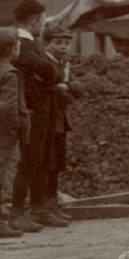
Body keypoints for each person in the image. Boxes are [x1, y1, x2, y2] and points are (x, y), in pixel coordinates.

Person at [9, 0, 67, 232]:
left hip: (43, 110)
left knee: (43, 158)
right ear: (34, 21)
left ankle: (39, 208)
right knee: (30, 159)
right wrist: (52, 73)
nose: (43, 26)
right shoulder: (22, 44)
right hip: (34, 111)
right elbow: (46, 69)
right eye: (42, 21)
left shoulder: (32, 43)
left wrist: (50, 73)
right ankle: (17, 213)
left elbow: (50, 71)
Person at [0, 27, 31, 238]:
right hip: (0, 130)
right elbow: (8, 107)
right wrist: (16, 127)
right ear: (12, 49)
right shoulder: (10, 72)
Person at [43, 25, 78, 224]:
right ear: (47, 44)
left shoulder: (64, 65)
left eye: (66, 43)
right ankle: (44, 206)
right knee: (47, 162)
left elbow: (75, 89)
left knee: (57, 162)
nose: (63, 47)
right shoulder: (45, 64)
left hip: (59, 119)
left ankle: (52, 203)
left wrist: (68, 87)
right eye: (58, 43)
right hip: (47, 118)